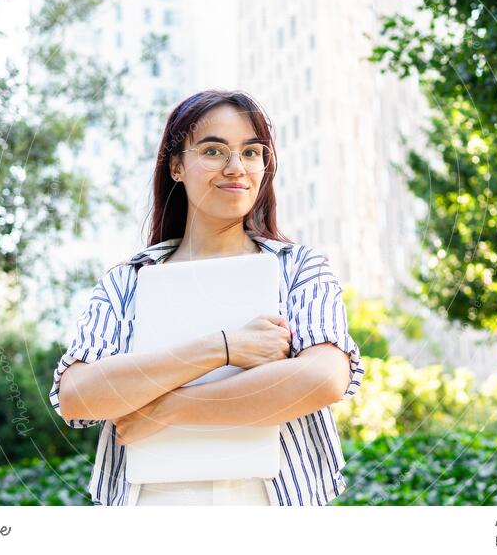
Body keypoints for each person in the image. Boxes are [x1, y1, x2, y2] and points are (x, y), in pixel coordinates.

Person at [48, 89, 364, 506]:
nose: (237, 168)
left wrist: (168, 409)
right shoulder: (126, 284)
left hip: (270, 505)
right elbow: (79, 396)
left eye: (252, 153)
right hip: (152, 508)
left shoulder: (299, 269)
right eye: (214, 151)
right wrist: (224, 347)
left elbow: (321, 379)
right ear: (176, 165)